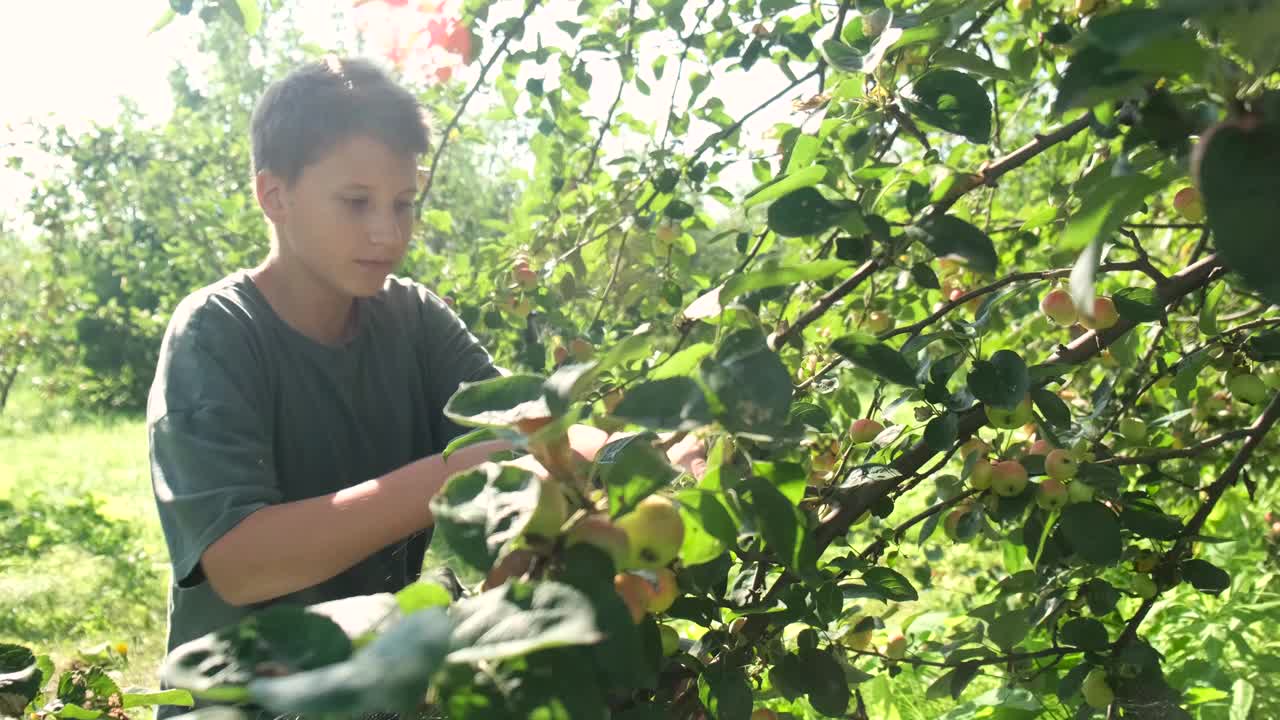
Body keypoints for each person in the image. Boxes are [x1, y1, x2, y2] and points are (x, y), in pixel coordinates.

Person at [145, 56, 699, 719]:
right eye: (356, 202)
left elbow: (535, 439)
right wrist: (465, 468)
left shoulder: (411, 317)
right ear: (275, 196)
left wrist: (641, 455)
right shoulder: (217, 334)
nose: (389, 231)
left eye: (403, 203)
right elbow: (241, 562)